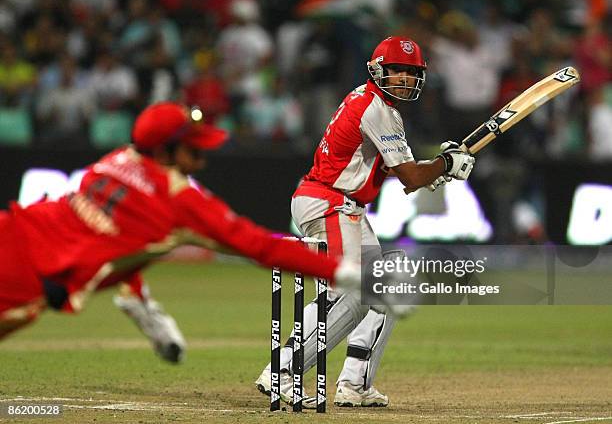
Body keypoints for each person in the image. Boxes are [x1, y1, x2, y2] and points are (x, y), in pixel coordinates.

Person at [0, 102, 364, 342]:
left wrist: (140, 302)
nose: (203, 159)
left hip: (12, 228)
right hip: (24, 279)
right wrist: (342, 273)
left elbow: (121, 243)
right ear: (164, 152)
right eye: (194, 150)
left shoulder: (113, 160)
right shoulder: (180, 201)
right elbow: (260, 246)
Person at [255, 36, 475, 407]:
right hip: (329, 202)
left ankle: (355, 382)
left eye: (411, 72)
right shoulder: (378, 109)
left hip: (341, 203)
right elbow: (410, 177)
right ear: (378, 70)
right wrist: (445, 165)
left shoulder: (369, 100)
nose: (404, 79)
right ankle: (281, 371)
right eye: (397, 71)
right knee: (355, 291)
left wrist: (435, 169)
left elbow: (396, 172)